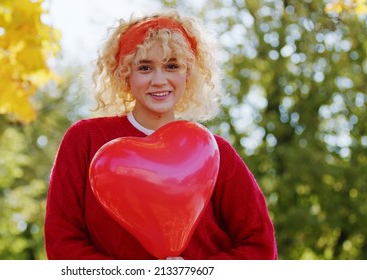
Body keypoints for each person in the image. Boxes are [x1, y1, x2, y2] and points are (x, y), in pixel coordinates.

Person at [44, 10, 277, 260]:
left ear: (188, 74)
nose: (159, 80)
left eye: (172, 66)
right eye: (145, 67)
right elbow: (62, 240)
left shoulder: (216, 152)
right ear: (125, 75)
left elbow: (259, 245)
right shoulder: (85, 139)